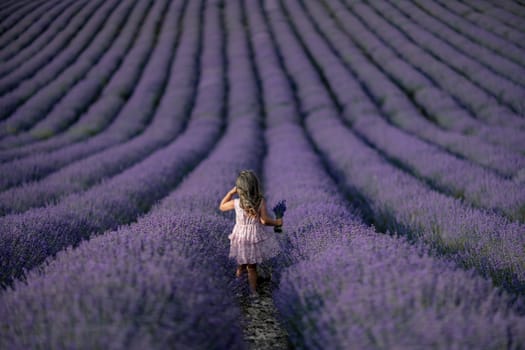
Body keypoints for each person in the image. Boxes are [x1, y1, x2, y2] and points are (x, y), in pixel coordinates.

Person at [219, 170, 282, 296]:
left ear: (239, 189)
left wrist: (231, 192)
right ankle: (253, 293)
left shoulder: (237, 203)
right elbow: (264, 221)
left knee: (241, 265)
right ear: (255, 186)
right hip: (253, 237)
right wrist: (277, 223)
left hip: (240, 237)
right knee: (252, 268)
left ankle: (239, 289)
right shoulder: (260, 201)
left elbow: (221, 206)